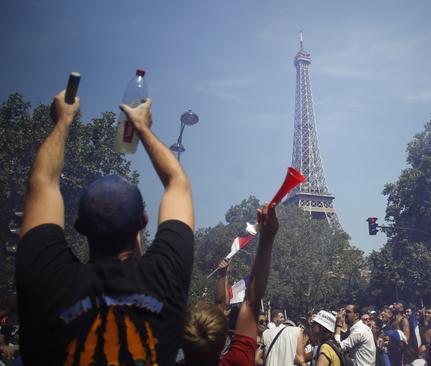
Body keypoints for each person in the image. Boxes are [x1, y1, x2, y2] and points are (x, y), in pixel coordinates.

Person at [16, 93, 194, 365]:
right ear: (142, 222)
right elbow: (177, 182)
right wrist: (142, 127)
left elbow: (43, 181)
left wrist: (63, 120)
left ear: (78, 226)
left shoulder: (48, 279)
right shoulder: (164, 277)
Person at [182, 203, 279, 365]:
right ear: (222, 340)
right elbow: (251, 301)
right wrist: (267, 238)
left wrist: (222, 275)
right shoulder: (237, 361)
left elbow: (234, 303)